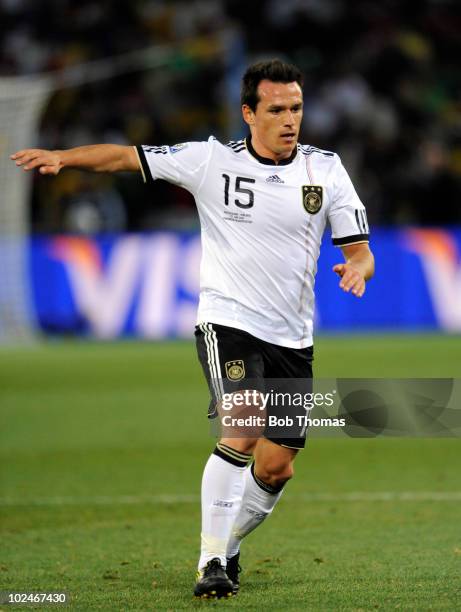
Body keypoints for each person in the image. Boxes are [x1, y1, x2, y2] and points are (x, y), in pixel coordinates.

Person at [11, 59, 374, 599]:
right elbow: (127, 158)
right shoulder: (210, 160)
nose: (289, 119)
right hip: (227, 322)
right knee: (242, 427)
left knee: (276, 468)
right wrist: (66, 157)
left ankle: (225, 547)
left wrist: (358, 269)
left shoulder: (326, 170)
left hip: (293, 338)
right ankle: (210, 562)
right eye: (276, 109)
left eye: (295, 108)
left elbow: (361, 252)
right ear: (249, 113)